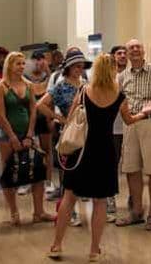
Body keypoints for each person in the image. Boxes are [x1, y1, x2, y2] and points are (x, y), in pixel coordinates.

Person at [47, 54, 151, 262]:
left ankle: (56, 245)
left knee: (69, 198)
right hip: (105, 152)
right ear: (114, 69)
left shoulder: (84, 91)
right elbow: (129, 120)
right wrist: (145, 112)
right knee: (100, 202)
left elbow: (70, 119)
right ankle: (94, 250)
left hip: (82, 150)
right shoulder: (119, 95)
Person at [115, 39, 151, 231]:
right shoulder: (122, 77)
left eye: (137, 47)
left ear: (143, 51)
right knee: (131, 168)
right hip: (131, 125)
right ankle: (137, 211)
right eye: (130, 48)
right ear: (127, 54)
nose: (134, 50)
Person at [0, 51, 56, 226]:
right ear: (10, 66)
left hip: (28, 134)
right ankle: (14, 212)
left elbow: (33, 110)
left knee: (37, 172)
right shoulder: (1, 87)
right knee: (9, 174)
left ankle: (39, 211)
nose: (21, 67)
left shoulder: (29, 85)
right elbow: (1, 115)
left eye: (23, 64)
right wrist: (13, 137)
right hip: (8, 136)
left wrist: (30, 133)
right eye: (17, 64)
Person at [37, 48, 91, 227]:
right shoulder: (61, 85)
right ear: (68, 67)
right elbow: (41, 105)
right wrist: (61, 119)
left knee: (84, 171)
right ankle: (70, 211)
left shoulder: (86, 83)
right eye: (76, 66)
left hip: (86, 131)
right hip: (69, 133)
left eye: (81, 66)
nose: (79, 69)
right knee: (67, 173)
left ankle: (77, 208)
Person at [106, 45, 128, 222]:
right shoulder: (108, 76)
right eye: (119, 53)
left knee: (131, 164)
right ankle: (109, 198)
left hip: (130, 125)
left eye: (124, 53)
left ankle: (133, 197)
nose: (122, 55)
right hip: (113, 127)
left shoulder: (132, 74)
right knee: (111, 164)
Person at [30, 51, 56, 195]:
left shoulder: (50, 77)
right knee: (30, 151)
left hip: (45, 118)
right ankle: (29, 181)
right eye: (36, 60)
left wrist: (47, 70)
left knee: (47, 150)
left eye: (41, 60)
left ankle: (48, 180)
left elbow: (51, 96)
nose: (38, 63)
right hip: (31, 119)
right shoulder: (26, 77)